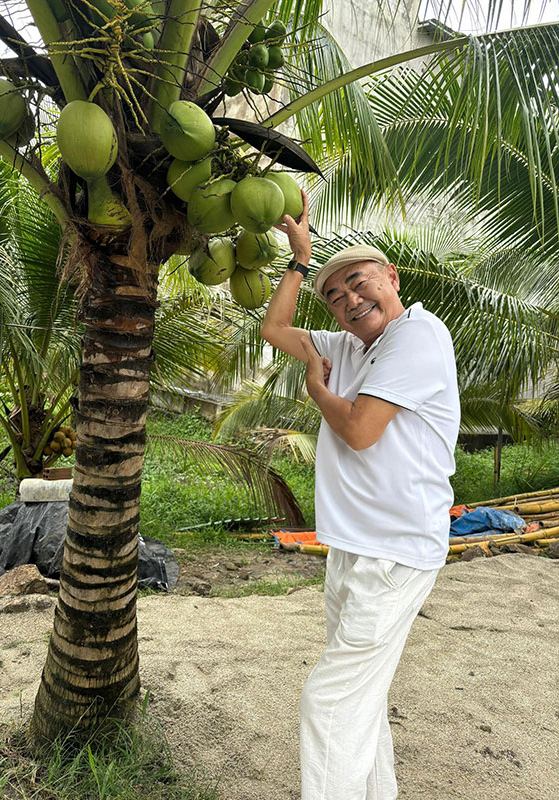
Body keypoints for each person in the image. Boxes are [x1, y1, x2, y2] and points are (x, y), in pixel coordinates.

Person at [260, 192, 461, 800]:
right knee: (358, 697)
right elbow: (273, 328)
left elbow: (359, 430)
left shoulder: (416, 336)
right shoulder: (349, 344)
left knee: (331, 700)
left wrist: (317, 388)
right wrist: (300, 262)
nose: (350, 300)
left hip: (393, 551)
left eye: (359, 283)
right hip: (354, 545)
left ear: (390, 278)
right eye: (335, 296)